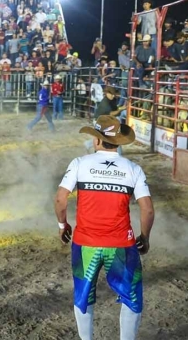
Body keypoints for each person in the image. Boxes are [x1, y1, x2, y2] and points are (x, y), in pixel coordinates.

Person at [54, 115, 155, 340]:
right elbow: (147, 210)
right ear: (118, 142)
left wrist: (63, 225)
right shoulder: (133, 169)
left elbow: (61, 200)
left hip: (85, 243)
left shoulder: (79, 163)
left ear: (97, 141)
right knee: (131, 297)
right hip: (121, 244)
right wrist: (145, 237)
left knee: (83, 295)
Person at [84, 86, 126, 155]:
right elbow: (112, 113)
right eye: (111, 94)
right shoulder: (105, 103)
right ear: (107, 93)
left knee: (106, 137)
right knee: (109, 137)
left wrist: (120, 108)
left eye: (114, 94)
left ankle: (88, 144)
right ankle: (118, 153)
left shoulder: (112, 100)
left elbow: (114, 109)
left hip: (105, 120)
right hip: (99, 121)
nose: (113, 95)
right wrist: (120, 109)